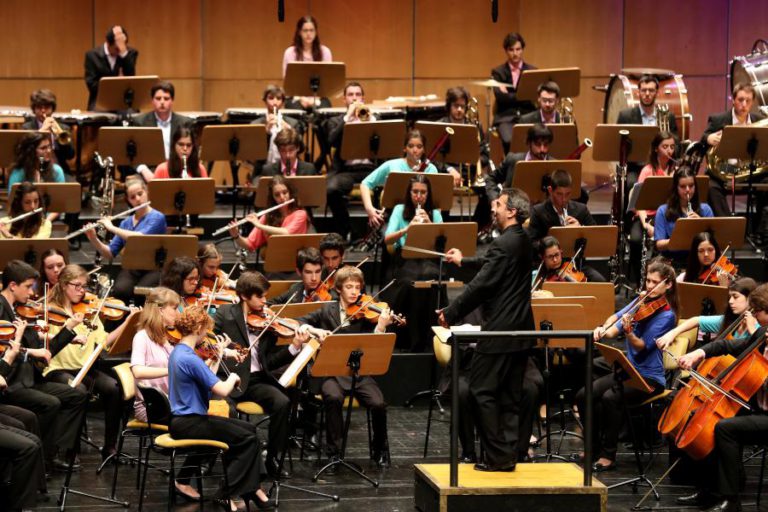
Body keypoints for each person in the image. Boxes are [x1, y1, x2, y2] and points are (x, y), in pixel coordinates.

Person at [437, 187, 535, 471]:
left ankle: (496, 457)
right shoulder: (522, 240)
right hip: (522, 329)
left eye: (499, 204)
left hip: (501, 330)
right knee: (508, 394)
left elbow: (482, 284)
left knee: (480, 389)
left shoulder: (504, 243)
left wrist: (451, 312)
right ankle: (507, 455)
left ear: (512, 211)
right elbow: (489, 265)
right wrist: (462, 261)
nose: (493, 208)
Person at [169, 305, 276, 510]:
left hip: (185, 420)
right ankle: (227, 492)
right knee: (246, 438)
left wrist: (217, 357)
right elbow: (222, 390)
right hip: (189, 421)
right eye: (205, 330)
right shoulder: (190, 358)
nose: (206, 336)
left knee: (250, 430)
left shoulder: (179, 352)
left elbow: (206, 384)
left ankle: (251, 488)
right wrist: (234, 377)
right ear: (199, 327)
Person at [673, 282, 768, 512]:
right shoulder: (763, 333)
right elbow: (731, 344)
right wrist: (700, 351)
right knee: (700, 417)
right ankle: (708, 489)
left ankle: (731, 499)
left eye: (758, 312)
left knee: (725, 428)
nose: (754, 316)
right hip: (757, 406)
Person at [576, 258, 677, 472]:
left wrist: (629, 332)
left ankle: (608, 455)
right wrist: (602, 330)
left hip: (649, 378)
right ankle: (592, 447)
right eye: (647, 281)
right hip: (629, 371)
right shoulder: (642, 301)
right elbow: (616, 319)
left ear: (668, 284)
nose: (649, 286)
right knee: (584, 394)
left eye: (654, 282)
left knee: (611, 398)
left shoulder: (667, 315)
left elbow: (640, 346)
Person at [297, 265, 394, 468]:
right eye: (349, 287)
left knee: (379, 403)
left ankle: (380, 449)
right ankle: (334, 453)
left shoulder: (366, 313)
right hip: (329, 372)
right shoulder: (326, 310)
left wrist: (381, 326)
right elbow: (300, 323)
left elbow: (375, 346)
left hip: (357, 372)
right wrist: (315, 330)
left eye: (357, 287)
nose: (354, 292)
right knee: (333, 397)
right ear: (339, 288)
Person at [43, 264, 139, 462]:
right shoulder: (50, 312)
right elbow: (49, 345)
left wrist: (128, 322)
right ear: (62, 285)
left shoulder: (89, 311)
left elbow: (105, 342)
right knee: (78, 390)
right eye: (77, 286)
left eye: (84, 286)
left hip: (84, 368)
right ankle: (70, 449)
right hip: (56, 369)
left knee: (114, 388)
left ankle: (110, 446)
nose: (82, 291)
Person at [214, 271, 303, 479]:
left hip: (255, 381)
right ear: (245, 296)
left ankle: (272, 459)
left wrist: (295, 347)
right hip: (226, 379)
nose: (265, 301)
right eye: (260, 297)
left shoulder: (267, 322)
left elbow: (269, 362)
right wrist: (223, 349)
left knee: (282, 402)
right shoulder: (224, 314)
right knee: (228, 412)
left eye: (265, 296)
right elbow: (210, 341)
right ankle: (230, 464)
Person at [0, 260, 87, 472]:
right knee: (50, 403)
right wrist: (30, 351)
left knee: (76, 394)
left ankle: (56, 451)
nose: (32, 293)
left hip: (29, 379)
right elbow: (4, 346)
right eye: (28, 287)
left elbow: (46, 353)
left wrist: (66, 332)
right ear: (13, 285)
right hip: (11, 383)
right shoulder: (1, 309)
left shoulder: (20, 310)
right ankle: (44, 458)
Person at [83, 176, 167, 303]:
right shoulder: (126, 223)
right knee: (120, 291)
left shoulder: (157, 217)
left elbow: (139, 238)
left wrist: (111, 227)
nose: (138, 199)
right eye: (133, 197)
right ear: (128, 200)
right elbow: (110, 253)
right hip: (133, 267)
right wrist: (93, 238)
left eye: (140, 194)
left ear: (147, 192)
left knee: (141, 293)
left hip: (154, 268)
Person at [385, 174, 444, 352]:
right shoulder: (399, 210)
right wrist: (408, 228)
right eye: (415, 191)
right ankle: (411, 339)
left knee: (430, 277)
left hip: (428, 259)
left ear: (428, 194)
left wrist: (429, 224)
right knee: (412, 282)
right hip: (406, 259)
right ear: (409, 193)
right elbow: (388, 239)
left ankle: (430, 337)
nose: (419, 196)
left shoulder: (434, 213)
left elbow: (442, 243)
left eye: (423, 192)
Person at [701, 82, 767, 220]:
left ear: (752, 102)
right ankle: (728, 226)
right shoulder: (718, 119)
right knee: (711, 186)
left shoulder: (760, 121)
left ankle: (758, 229)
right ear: (733, 100)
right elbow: (703, 139)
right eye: (740, 100)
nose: (744, 104)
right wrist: (708, 138)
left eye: (748, 101)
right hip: (726, 169)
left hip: (751, 170)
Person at [325, 81, 376, 238]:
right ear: (344, 100)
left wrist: (372, 121)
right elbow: (331, 141)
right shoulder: (336, 121)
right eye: (350, 95)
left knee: (389, 186)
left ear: (363, 98)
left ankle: (377, 232)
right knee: (331, 190)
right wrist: (347, 118)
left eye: (358, 94)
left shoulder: (374, 118)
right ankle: (346, 230)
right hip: (347, 171)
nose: (354, 98)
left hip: (371, 170)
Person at [360, 129, 439, 228]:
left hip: (422, 216)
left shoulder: (431, 169)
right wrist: (370, 209)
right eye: (410, 146)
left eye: (419, 147)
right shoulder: (392, 165)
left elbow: (436, 201)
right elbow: (365, 183)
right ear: (404, 148)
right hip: (394, 216)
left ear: (424, 149)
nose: (415, 150)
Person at [628, 130, 678, 285]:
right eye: (665, 146)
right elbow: (639, 202)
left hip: (667, 215)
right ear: (656, 148)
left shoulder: (675, 171)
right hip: (647, 216)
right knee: (636, 240)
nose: (669, 150)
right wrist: (645, 224)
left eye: (672, 146)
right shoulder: (648, 170)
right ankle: (638, 281)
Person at [617, 74, 679, 197]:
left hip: (661, 165)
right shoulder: (626, 116)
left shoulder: (668, 116)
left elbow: (676, 144)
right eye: (643, 90)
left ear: (657, 92)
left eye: (651, 90)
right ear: (638, 92)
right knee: (631, 184)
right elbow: (619, 145)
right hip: (635, 167)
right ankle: (634, 215)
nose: (647, 94)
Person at [657, 277, 758, 351]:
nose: (730, 301)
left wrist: (753, 331)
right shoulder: (730, 321)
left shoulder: (759, 326)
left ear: (750, 298)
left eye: (735, 297)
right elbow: (696, 320)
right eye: (729, 297)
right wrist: (672, 334)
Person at [229, 175, 310, 252]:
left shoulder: (300, 214)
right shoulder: (268, 216)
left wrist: (259, 225)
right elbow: (249, 244)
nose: (282, 197)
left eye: (285, 192)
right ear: (273, 198)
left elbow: (286, 233)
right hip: (275, 260)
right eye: (277, 195)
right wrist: (236, 236)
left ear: (290, 193)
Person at [527, 169, 596, 252]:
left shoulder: (581, 209)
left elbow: (595, 237)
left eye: (568, 194)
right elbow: (531, 244)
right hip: (549, 263)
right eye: (559, 194)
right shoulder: (538, 211)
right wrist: (557, 237)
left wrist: (580, 229)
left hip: (576, 261)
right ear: (550, 190)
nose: (564, 199)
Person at [654, 166, 714, 261]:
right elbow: (659, 244)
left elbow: (713, 241)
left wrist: (701, 225)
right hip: (672, 261)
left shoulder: (706, 209)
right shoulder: (662, 211)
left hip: (699, 261)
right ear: (676, 188)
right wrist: (679, 238)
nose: (687, 190)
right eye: (682, 186)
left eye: (691, 185)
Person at [491, 32, 536, 153]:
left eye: (518, 49)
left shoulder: (533, 71)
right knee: (509, 140)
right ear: (506, 51)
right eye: (511, 50)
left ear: (522, 50)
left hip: (528, 115)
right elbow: (501, 98)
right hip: (505, 117)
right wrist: (523, 95)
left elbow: (533, 96)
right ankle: (511, 169)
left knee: (536, 139)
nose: (515, 53)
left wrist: (510, 95)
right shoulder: (498, 72)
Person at [485, 124, 552, 202]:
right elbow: (491, 179)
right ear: (529, 143)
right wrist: (495, 200)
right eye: (538, 144)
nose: (542, 149)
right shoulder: (512, 160)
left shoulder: (554, 165)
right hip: (512, 209)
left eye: (546, 145)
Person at [282, 15, 333, 109]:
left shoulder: (325, 51)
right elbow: (288, 83)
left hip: (319, 98)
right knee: (294, 109)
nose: (308, 34)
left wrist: (315, 99)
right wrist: (303, 99)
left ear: (316, 32)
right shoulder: (290, 52)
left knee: (325, 108)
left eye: (311, 30)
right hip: (296, 98)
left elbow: (327, 83)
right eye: (305, 30)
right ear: (299, 32)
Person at [133, 81, 192, 162]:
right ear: (152, 101)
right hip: (149, 169)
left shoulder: (185, 123)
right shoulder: (140, 122)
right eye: (158, 98)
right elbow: (134, 154)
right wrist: (145, 171)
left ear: (172, 101)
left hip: (176, 169)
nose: (162, 102)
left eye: (166, 98)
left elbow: (190, 153)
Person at [84, 25, 138, 111]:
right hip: (100, 101)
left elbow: (131, 78)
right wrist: (115, 85)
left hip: (123, 100)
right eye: (117, 49)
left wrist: (124, 54)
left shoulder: (129, 53)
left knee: (133, 115)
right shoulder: (92, 56)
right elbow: (91, 85)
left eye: (123, 47)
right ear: (108, 43)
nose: (119, 50)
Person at [22, 88, 74, 175]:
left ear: (52, 109)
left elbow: (70, 155)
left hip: (59, 169)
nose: (43, 110)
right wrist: (42, 130)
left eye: (46, 107)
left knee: (73, 186)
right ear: (34, 109)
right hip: (34, 169)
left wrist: (60, 138)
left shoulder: (63, 128)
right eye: (39, 107)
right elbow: (25, 154)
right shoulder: (26, 128)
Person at [251, 85, 303, 171]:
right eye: (271, 98)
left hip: (289, 168)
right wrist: (266, 132)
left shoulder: (293, 123)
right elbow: (254, 153)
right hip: (262, 169)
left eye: (278, 99)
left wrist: (289, 129)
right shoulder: (255, 124)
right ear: (265, 100)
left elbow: (301, 148)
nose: (275, 102)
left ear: (283, 102)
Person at [140, 125, 207, 181]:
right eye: (181, 144)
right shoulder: (162, 169)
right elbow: (156, 195)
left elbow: (206, 194)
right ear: (174, 146)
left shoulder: (200, 169)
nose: (185, 149)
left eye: (189, 145)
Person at [533, 235, 606, 285]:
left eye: (557, 255)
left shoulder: (570, 266)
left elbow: (601, 281)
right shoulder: (538, 275)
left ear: (561, 252)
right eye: (550, 257)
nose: (555, 260)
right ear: (542, 257)